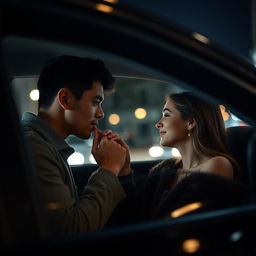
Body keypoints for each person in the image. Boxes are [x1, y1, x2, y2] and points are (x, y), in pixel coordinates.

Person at [21, 55, 131, 235]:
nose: (101, 114)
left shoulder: (46, 144)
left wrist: (122, 171)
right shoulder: (34, 147)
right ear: (65, 99)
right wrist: (109, 169)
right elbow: (71, 231)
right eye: (95, 102)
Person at [105, 91, 245, 226]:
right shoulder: (167, 168)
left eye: (166, 115)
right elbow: (135, 216)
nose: (158, 123)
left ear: (190, 123)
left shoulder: (217, 164)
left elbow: (188, 224)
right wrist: (124, 170)